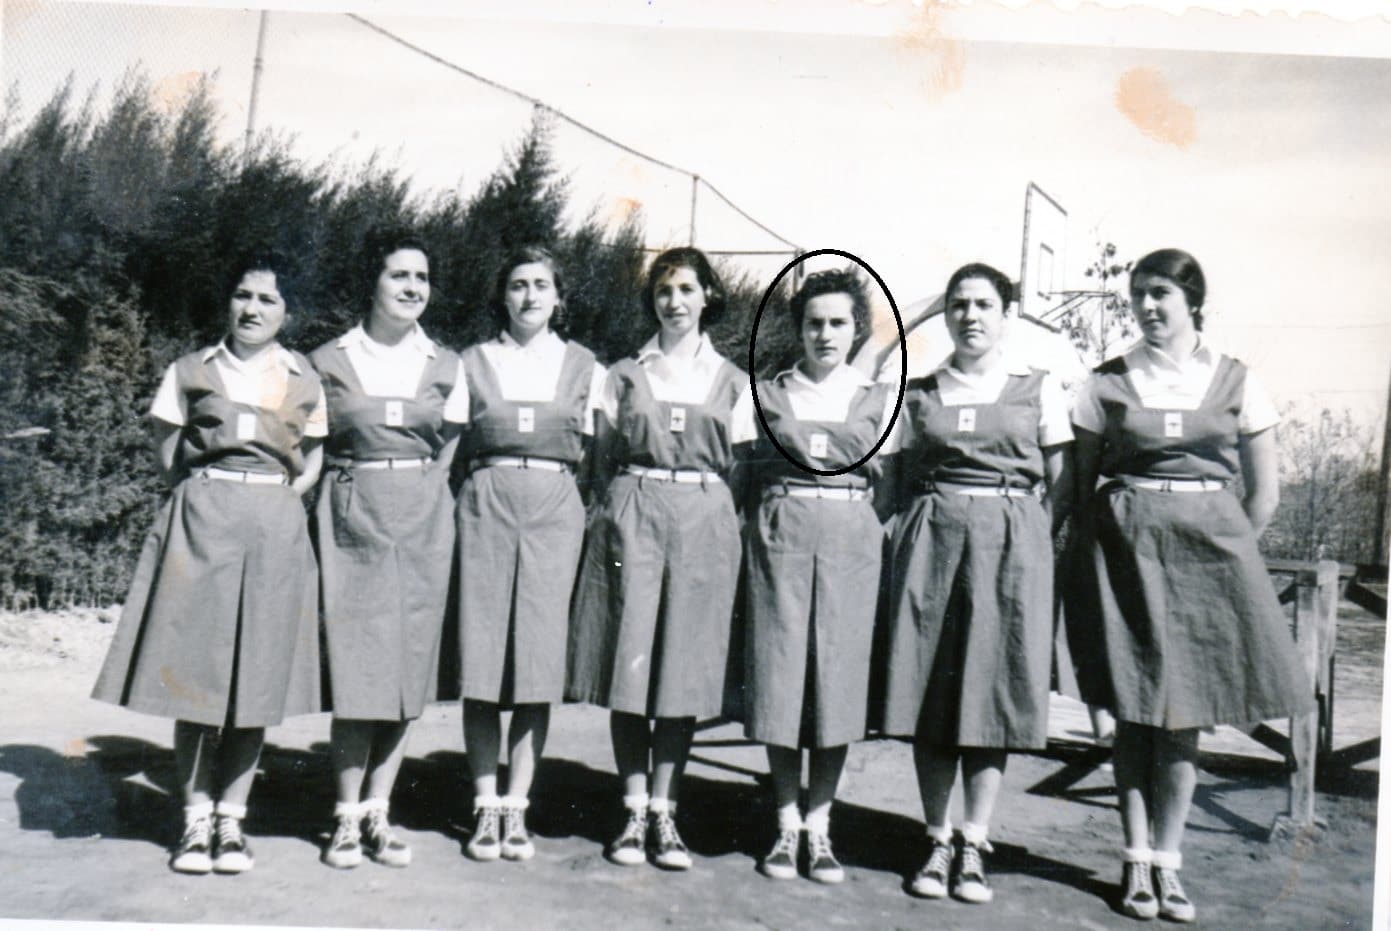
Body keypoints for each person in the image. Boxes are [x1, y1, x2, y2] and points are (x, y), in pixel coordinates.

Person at [1065, 248, 1311, 923]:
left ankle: (1168, 865)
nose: (1146, 306)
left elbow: (1263, 496)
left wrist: (1218, 559)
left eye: (1160, 294)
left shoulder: (1237, 379)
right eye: (1138, 294)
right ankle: (1135, 860)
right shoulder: (1104, 382)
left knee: (1183, 718)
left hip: (1206, 565)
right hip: (1125, 558)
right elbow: (1078, 488)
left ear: (1192, 301)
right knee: (1133, 714)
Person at [92, 251, 326, 875]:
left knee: (254, 680)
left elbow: (313, 456)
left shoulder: (304, 376)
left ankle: (232, 821)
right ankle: (195, 822)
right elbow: (169, 448)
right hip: (202, 524)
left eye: (268, 299)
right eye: (243, 295)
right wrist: (204, 496)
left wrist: (281, 500)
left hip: (273, 530)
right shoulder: (191, 369)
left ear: (287, 312)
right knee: (197, 677)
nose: (253, 308)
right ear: (229, 301)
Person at [880, 262, 1073, 904]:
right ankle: (937, 838)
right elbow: (894, 480)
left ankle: (974, 840)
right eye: (959, 304)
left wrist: (1025, 536)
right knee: (932, 689)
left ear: (1007, 314)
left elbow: (1062, 483)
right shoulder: (919, 391)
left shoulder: (1037, 389)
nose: (970, 316)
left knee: (990, 693)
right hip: (932, 547)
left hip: (1009, 551)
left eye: (984, 304)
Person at [567, 247, 748, 871]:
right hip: (634, 519)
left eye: (687, 289)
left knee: (680, 672)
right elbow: (602, 459)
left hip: (703, 525)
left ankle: (666, 812)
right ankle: (634, 807)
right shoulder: (621, 374)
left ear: (708, 297)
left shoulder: (734, 380)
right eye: (665, 290)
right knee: (630, 665)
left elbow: (742, 471)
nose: (675, 302)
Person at [736, 267, 899, 885]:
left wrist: (849, 526)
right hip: (781, 543)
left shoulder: (881, 399)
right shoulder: (766, 394)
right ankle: (785, 823)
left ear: (857, 329)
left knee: (836, 684)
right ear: (798, 328)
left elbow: (891, 488)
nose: (825, 334)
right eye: (813, 323)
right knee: (780, 679)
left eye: (837, 323)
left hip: (849, 548)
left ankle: (820, 825)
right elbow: (744, 475)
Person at [310, 229, 466, 870]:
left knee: (406, 668)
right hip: (352, 522)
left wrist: (423, 493)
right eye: (399, 275)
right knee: (359, 668)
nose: (411, 288)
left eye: (421, 277)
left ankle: (379, 810)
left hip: (422, 524)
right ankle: (345, 817)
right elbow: (313, 445)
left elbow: (449, 445)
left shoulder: (446, 364)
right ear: (372, 282)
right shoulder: (327, 361)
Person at [455, 245, 607, 862]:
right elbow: (454, 448)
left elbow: (598, 458)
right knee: (482, 661)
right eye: (518, 284)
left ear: (558, 297)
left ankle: (516, 806)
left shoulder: (586, 366)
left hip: (554, 510)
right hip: (486, 507)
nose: (529, 296)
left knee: (537, 664)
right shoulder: (471, 362)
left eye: (541, 285)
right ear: (503, 295)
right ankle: (485, 805)